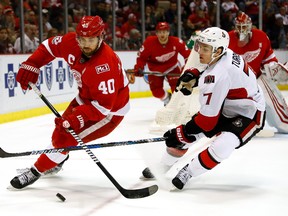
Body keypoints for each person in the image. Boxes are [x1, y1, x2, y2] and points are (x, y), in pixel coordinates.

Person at [10, 15, 130, 189]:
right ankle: (57, 160)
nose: (85, 44)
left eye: (91, 39)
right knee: (59, 134)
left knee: (64, 139)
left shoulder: (105, 65)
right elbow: (49, 47)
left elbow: (103, 107)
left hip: (110, 112)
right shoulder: (71, 43)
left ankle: (36, 170)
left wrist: (76, 119)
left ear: (101, 37)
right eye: (82, 39)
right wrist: (33, 63)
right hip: (85, 99)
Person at [144, 27, 266, 190]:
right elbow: (211, 69)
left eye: (205, 48)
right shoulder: (223, 54)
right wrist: (196, 73)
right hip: (227, 104)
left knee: (222, 146)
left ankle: (188, 171)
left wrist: (180, 133)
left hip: (250, 113)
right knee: (188, 133)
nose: (200, 51)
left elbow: (207, 122)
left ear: (218, 50)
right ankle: (163, 165)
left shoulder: (219, 75)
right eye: (200, 46)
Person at [228, 11, 288, 133]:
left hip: (257, 78)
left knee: (274, 101)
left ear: (250, 26)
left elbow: (269, 58)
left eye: (244, 26)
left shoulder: (261, 37)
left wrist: (273, 67)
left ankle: (284, 124)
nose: (241, 30)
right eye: (239, 27)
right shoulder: (227, 39)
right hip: (233, 82)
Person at [127, 22, 191, 106]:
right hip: (155, 69)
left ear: (168, 32)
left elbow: (188, 56)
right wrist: (139, 68)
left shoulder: (177, 41)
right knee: (156, 92)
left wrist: (186, 67)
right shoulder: (149, 42)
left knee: (177, 88)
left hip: (172, 67)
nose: (162, 34)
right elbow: (141, 57)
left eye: (164, 32)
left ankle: (178, 106)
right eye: (160, 32)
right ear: (156, 33)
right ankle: (167, 98)